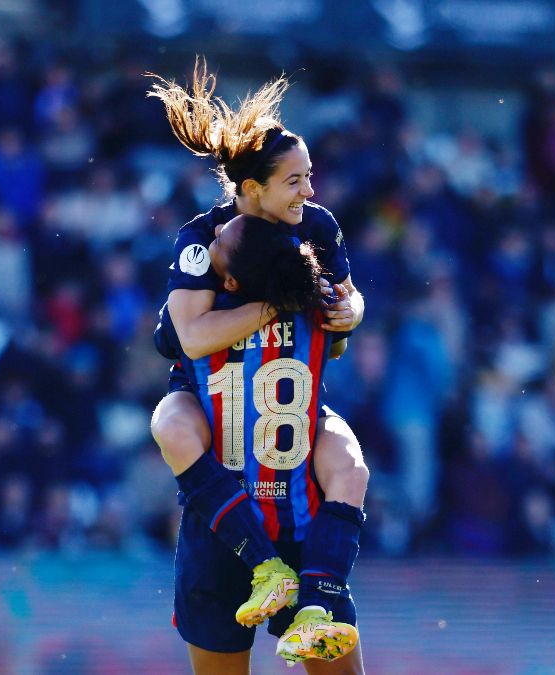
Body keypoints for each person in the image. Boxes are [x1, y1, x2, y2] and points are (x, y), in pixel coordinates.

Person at [147, 60, 367, 672]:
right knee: (171, 419)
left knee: (350, 466)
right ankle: (267, 567)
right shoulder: (203, 240)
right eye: (294, 180)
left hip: (289, 433)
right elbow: (189, 339)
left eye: (309, 177)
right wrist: (280, 304)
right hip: (223, 440)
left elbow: (350, 306)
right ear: (251, 189)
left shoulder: (318, 229)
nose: (309, 192)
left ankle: (315, 595)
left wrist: (351, 312)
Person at [172, 214, 361, 673]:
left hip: (219, 529)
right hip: (303, 524)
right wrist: (350, 308)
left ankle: (268, 569)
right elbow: (342, 327)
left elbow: (179, 340)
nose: (212, 234)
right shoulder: (317, 309)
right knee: (350, 466)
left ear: (232, 280)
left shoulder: (195, 318)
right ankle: (316, 598)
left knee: (169, 425)